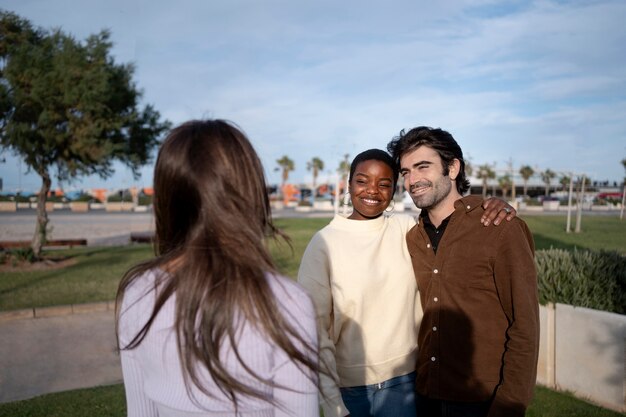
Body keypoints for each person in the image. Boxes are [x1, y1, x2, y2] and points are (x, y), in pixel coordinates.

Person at [115, 120, 320, 417]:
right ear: (249, 192)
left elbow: (140, 411)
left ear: (167, 197)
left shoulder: (139, 291)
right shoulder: (286, 301)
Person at [297, 149, 516, 417]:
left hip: (406, 386)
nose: (372, 191)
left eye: (384, 184)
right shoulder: (323, 244)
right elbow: (313, 331)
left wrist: (489, 204)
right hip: (349, 391)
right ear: (349, 183)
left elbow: (450, 218)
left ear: (394, 190)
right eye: (362, 180)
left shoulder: (407, 229)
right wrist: (332, 404)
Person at [387, 126, 539, 417]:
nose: (412, 180)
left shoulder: (499, 228)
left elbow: (525, 327)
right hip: (425, 395)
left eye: (422, 167)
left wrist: (509, 405)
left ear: (453, 167)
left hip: (481, 401)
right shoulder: (412, 236)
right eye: (405, 172)